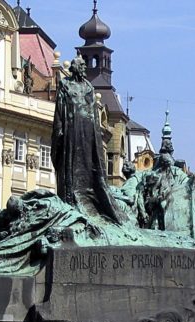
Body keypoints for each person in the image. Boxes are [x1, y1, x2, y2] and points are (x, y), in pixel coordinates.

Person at [52, 55, 125, 224]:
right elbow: (59, 111)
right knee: (71, 164)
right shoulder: (65, 85)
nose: (85, 68)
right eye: (82, 65)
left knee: (86, 163)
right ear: (75, 67)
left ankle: (88, 199)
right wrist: (60, 129)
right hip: (71, 130)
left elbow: (94, 113)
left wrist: (95, 137)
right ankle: (71, 199)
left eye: (85, 65)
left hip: (87, 131)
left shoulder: (88, 87)